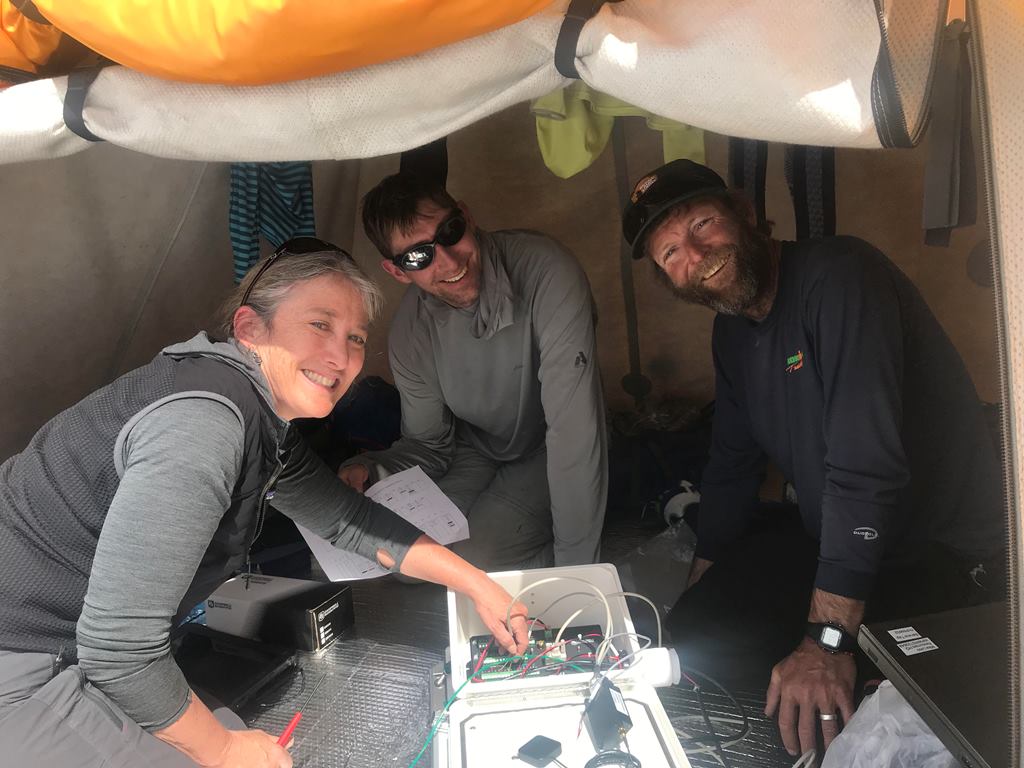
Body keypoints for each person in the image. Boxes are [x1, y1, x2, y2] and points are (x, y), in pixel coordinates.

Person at [0, 237, 530, 768]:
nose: (341, 356)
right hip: (21, 656)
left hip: (82, 650)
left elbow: (348, 520)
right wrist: (224, 750)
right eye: (320, 325)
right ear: (250, 327)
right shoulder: (205, 427)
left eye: (356, 337)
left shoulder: (255, 414)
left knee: (237, 741)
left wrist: (480, 586)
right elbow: (120, 650)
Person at [621, 160, 1005, 758]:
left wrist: (824, 644)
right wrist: (701, 587)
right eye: (672, 252)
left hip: (935, 553)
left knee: (816, 691)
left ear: (746, 214)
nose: (695, 254)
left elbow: (866, 466)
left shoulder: (840, 277)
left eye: (703, 224)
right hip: (837, 538)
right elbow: (731, 463)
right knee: (697, 640)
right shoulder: (732, 331)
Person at [338, 172, 607, 570]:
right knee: (401, 558)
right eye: (417, 257)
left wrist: (580, 577)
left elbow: (573, 433)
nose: (447, 260)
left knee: (474, 560)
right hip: (475, 451)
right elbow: (429, 445)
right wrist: (368, 469)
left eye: (449, 231)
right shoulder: (410, 333)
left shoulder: (547, 272)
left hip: (548, 446)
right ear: (397, 272)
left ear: (466, 216)